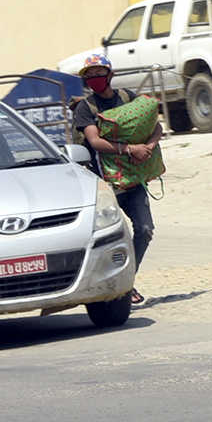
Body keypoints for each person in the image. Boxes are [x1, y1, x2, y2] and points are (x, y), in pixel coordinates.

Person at [72, 53, 160, 305]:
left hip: (134, 178)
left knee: (144, 230)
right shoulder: (85, 108)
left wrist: (148, 147)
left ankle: (127, 280)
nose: (94, 79)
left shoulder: (128, 98)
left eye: (98, 74)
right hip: (104, 182)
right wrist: (130, 149)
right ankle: (114, 286)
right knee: (109, 236)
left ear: (110, 75)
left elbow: (156, 126)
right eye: (88, 76)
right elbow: (95, 141)